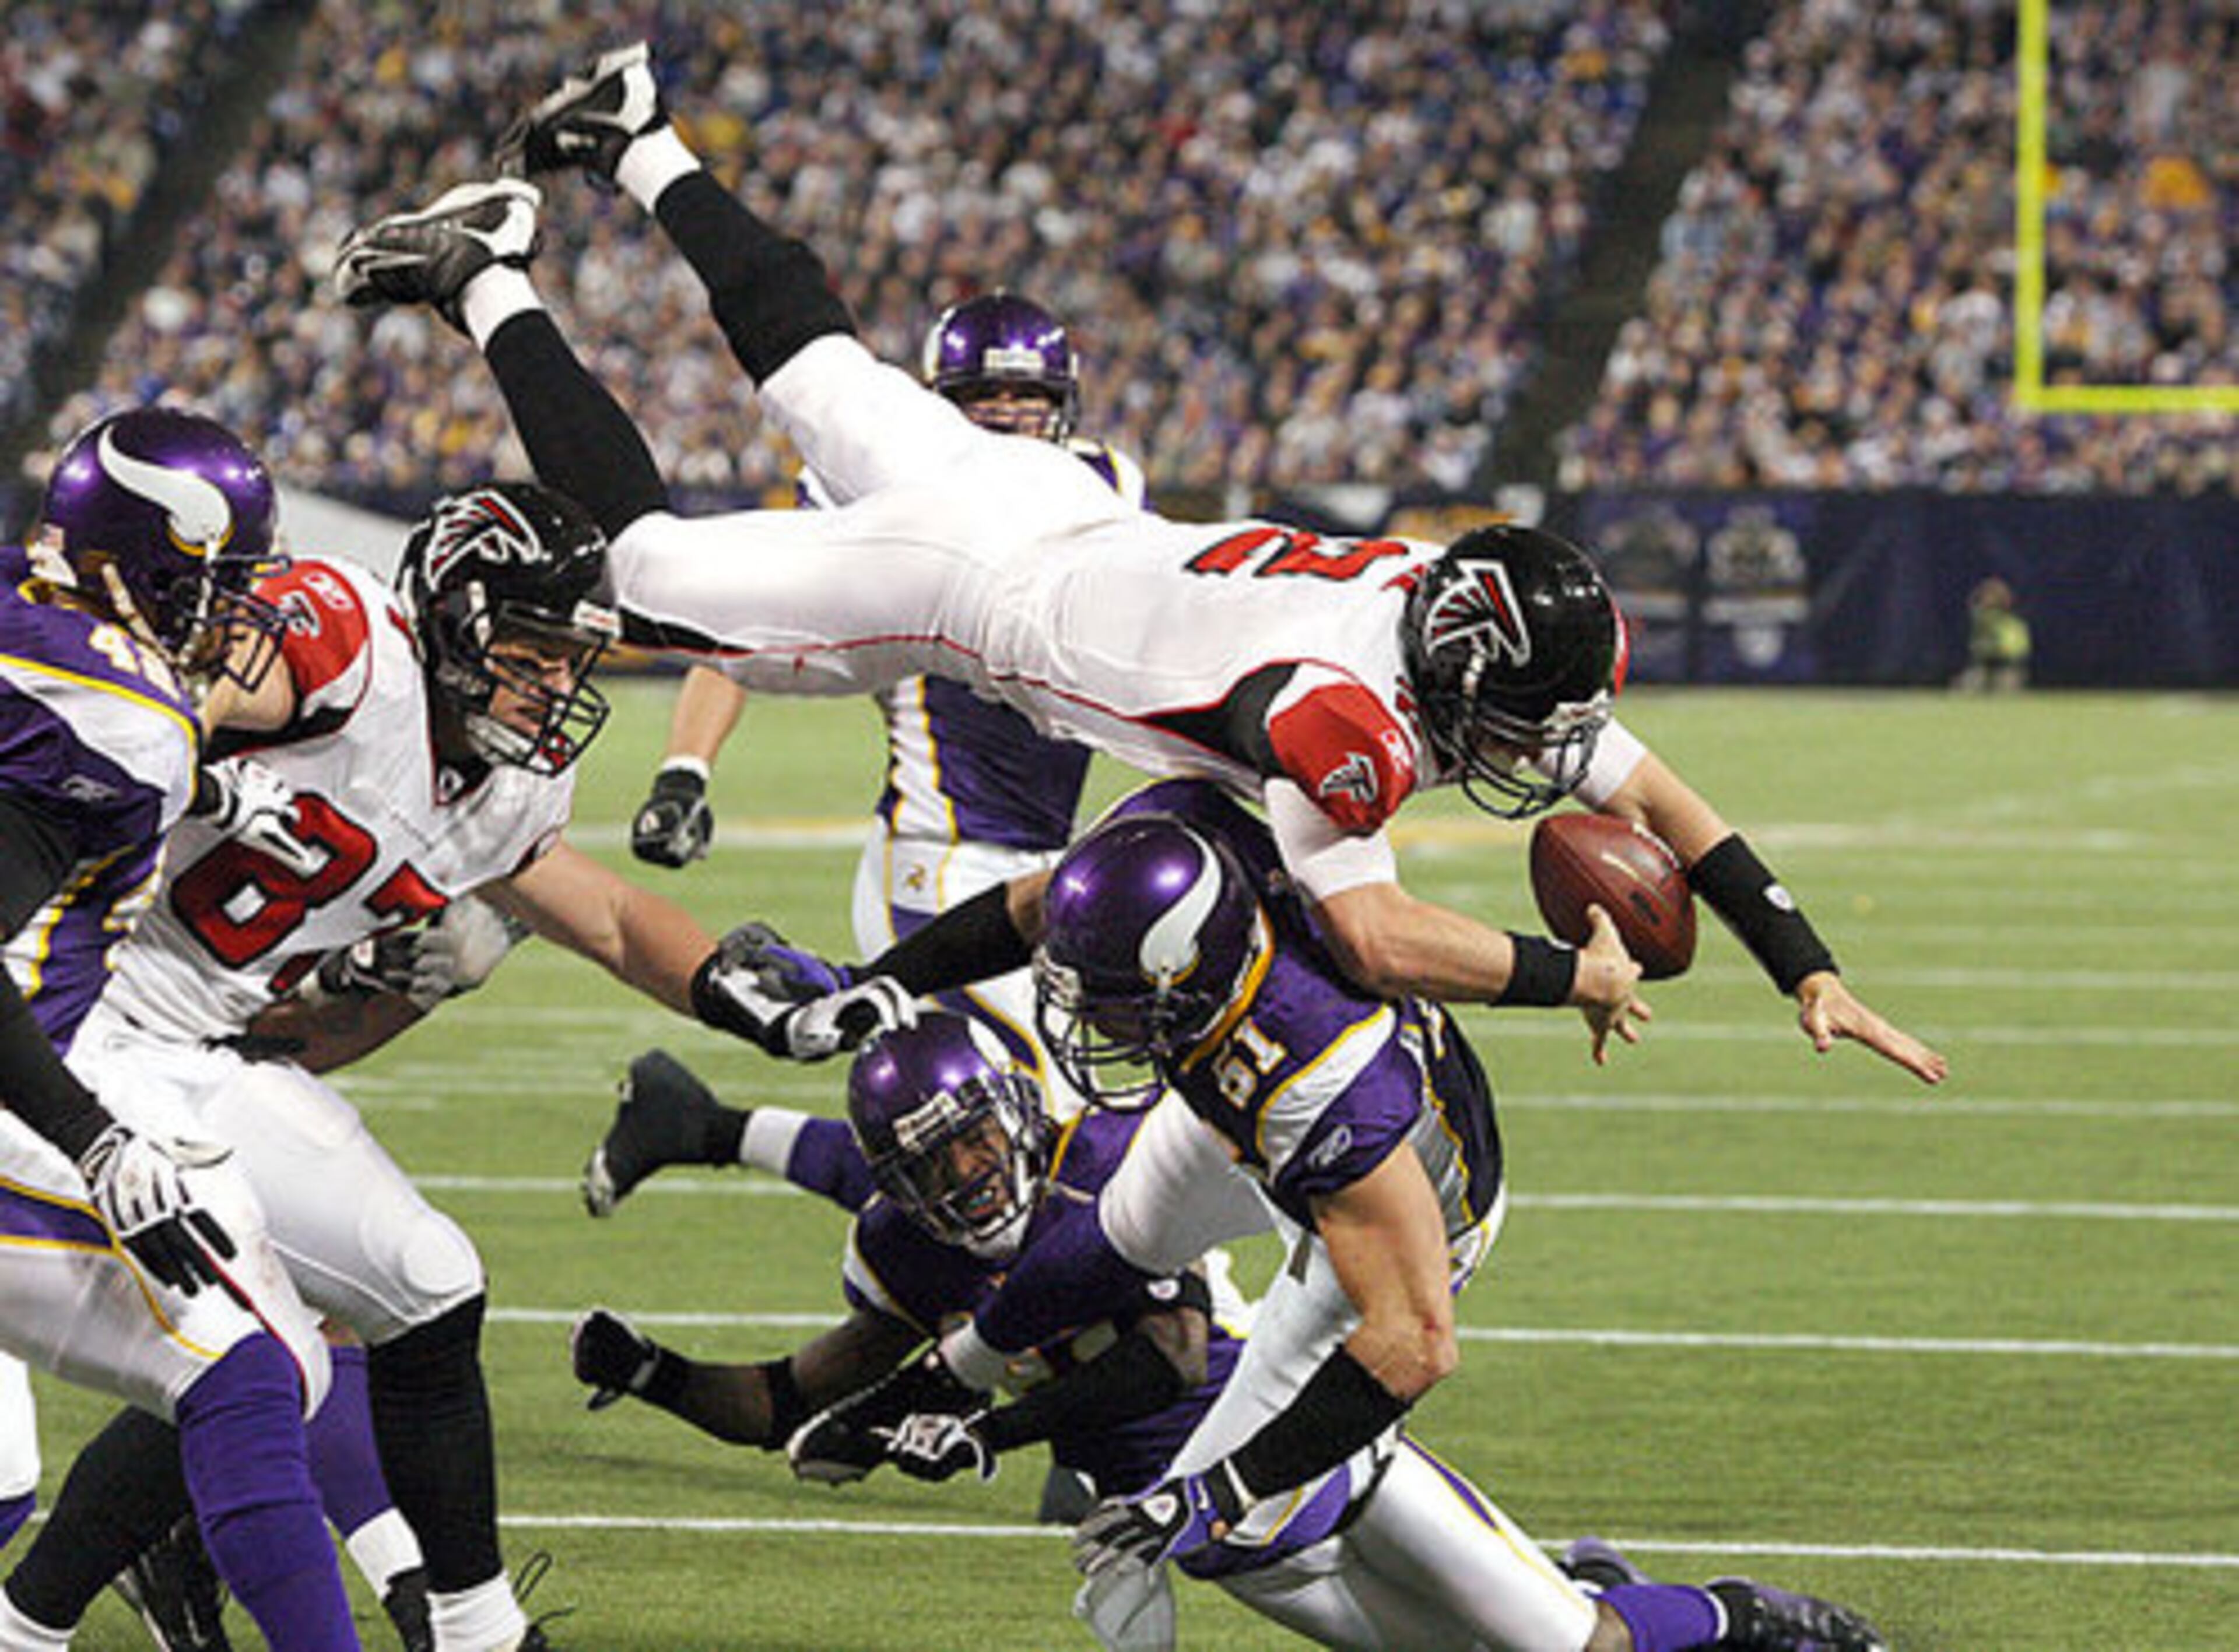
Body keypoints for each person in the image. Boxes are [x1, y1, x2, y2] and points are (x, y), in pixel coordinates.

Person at [333, 40, 1947, 1088]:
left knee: (816, 364)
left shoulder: (1431, 598)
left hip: (1041, 512)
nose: (1545, 754)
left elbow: (1660, 797)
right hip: (975, 585)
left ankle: (634, 134)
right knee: (639, 568)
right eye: (1528, 723)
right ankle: (489, 275)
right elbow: (1378, 940)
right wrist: (1560, 975)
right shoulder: (1342, 713)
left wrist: (1801, 965)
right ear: (1469, 676)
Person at [0, 478, 899, 1652]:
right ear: (452, 618)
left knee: (424, 1277)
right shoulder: (345, 640)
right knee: (245, 1349)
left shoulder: (512, 783)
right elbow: (176, 690)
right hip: (80, 1012)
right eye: (530, 652)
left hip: (202, 1044)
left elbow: (609, 920)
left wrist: (749, 1004)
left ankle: (474, 1625)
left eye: (571, 659)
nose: (554, 686)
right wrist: (209, 772)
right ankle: (47, 1613)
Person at [573, 1017, 1887, 1652]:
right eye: (935, 1163)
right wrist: (653, 1374)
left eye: (974, 1139)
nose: (968, 1174)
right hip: (1210, 1539)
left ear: (1013, 1112)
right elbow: (794, 1400)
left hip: (1309, 1450)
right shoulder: (908, 1250)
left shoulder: (1106, 1173)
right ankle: (1592, 1575)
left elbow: (1171, 1357)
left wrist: (987, 1428)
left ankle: (1758, 1621)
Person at [594, 289, 1143, 1203]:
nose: (1008, 416)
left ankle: (697, 1124)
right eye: (983, 398)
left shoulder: (1107, 482)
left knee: (1021, 1135)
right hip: (940, 865)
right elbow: (753, 625)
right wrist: (685, 770)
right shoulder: (880, 490)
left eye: (1029, 398)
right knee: (1022, 1142)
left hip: (1047, 866)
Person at [0, 407, 362, 1649]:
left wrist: (206, 788)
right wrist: (94, 1140)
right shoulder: (119, 717)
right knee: (240, 1359)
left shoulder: (28, 604)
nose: (232, 614)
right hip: (21, 1089)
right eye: (215, 583)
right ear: (139, 565)